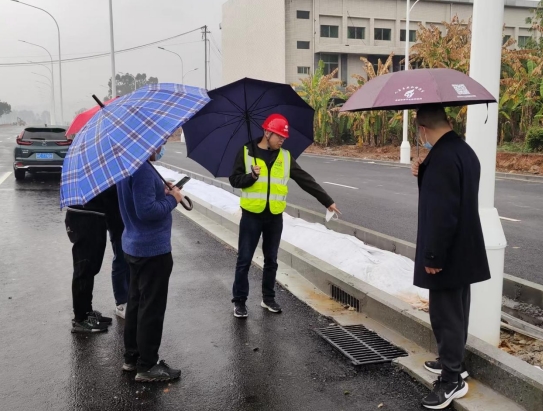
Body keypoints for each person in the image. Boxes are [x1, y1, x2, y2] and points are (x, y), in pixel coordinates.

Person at [411, 105, 490, 409]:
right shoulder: (463, 151)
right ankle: (452, 362)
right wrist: (424, 171)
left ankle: (452, 380)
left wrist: (433, 255)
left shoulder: (442, 158)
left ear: (422, 128)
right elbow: (454, 196)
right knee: (458, 310)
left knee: (445, 316)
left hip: (446, 251)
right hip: (463, 248)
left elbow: (441, 212)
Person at [229, 114, 340, 318]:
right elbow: (234, 180)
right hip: (251, 215)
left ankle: (268, 298)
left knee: (271, 259)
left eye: (284, 137)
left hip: (274, 216)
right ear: (267, 132)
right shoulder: (246, 152)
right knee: (244, 259)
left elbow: (305, 180)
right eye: (279, 136)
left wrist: (327, 201)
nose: (282, 140)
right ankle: (240, 301)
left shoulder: (286, 157)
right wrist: (251, 176)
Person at [117, 145, 183, 382]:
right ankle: (147, 365)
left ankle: (132, 357)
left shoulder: (128, 165)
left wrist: (161, 192)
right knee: (151, 309)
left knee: (136, 304)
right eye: (159, 143)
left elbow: (140, 201)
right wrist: (173, 199)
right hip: (152, 250)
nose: (161, 146)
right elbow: (146, 211)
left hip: (134, 246)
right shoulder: (143, 170)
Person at [65, 185, 130, 333]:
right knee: (84, 268)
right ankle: (81, 318)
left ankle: (87, 312)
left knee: (90, 267)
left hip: (92, 216)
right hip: (84, 218)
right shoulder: (93, 176)